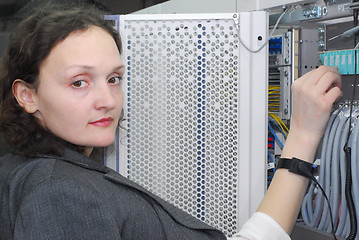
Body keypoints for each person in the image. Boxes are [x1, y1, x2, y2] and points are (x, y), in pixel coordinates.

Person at [0, 3, 342, 240]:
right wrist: (302, 134)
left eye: (114, 78)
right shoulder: (59, 193)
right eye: (79, 82)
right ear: (27, 95)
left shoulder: (36, 167)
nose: (107, 100)